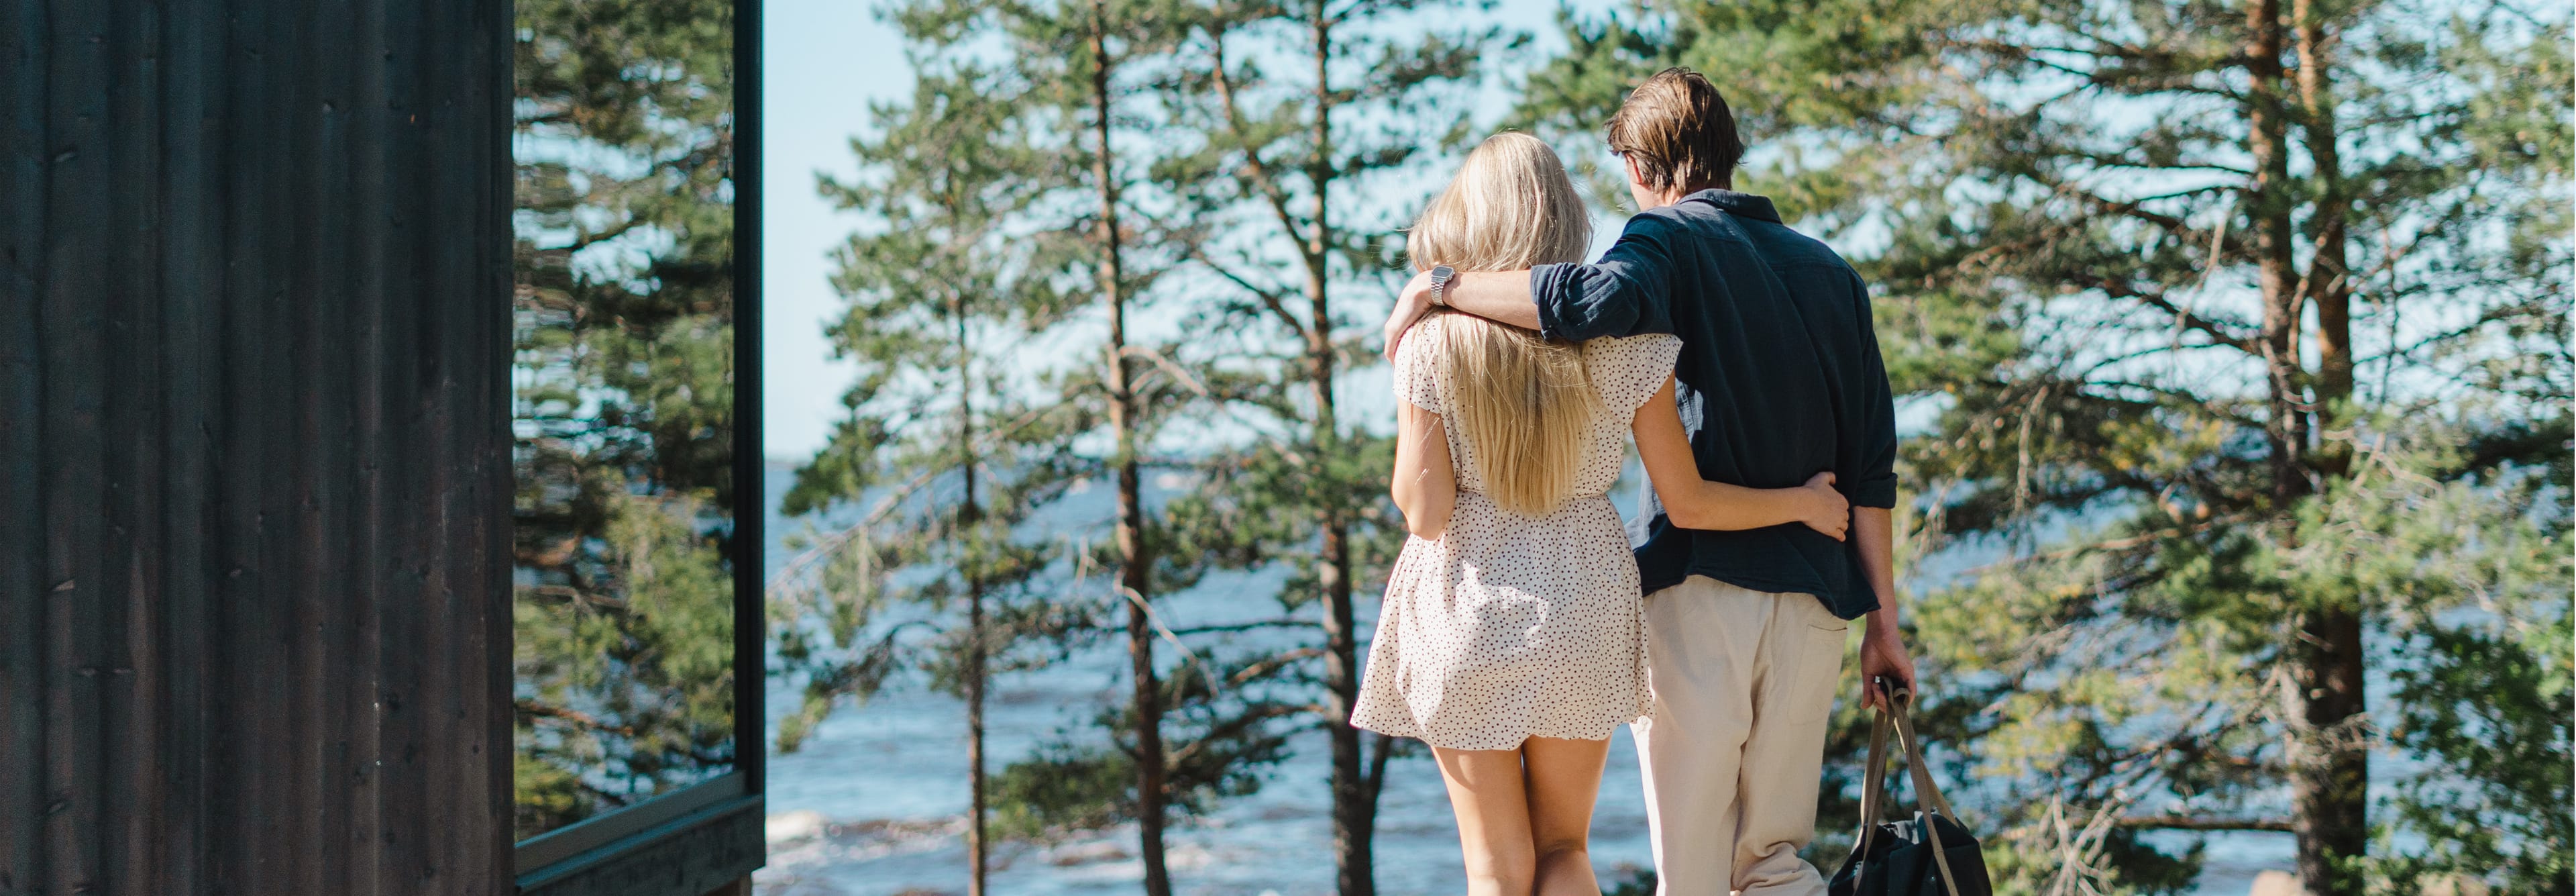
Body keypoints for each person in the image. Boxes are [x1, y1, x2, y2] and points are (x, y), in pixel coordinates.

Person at [1379, 70, 1919, 896]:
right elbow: (1873, 466)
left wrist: (1439, 287)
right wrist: (1883, 620)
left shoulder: (1656, 245)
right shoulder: (1830, 272)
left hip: (1691, 592)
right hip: (1808, 597)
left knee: (1683, 866)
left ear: (1638, 164)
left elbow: (1589, 300)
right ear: (1731, 153)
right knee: (1768, 860)